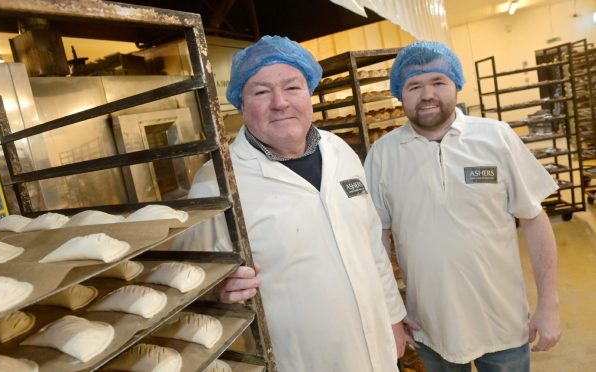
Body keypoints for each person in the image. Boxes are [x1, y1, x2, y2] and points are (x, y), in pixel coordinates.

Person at [186, 35, 407, 372]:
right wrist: (217, 292)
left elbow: (372, 247)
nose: (280, 103)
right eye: (261, 92)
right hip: (301, 361)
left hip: (377, 350)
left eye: (293, 88)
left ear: (310, 94)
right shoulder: (215, 181)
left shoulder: (342, 152)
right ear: (240, 104)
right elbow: (192, 283)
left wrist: (393, 318)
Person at [364, 41, 561, 371]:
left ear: (456, 83)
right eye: (414, 86)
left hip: (503, 323)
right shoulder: (383, 155)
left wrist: (549, 304)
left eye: (438, 82)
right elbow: (377, 239)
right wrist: (392, 311)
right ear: (400, 93)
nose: (427, 94)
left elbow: (534, 220)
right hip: (430, 327)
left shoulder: (496, 138)